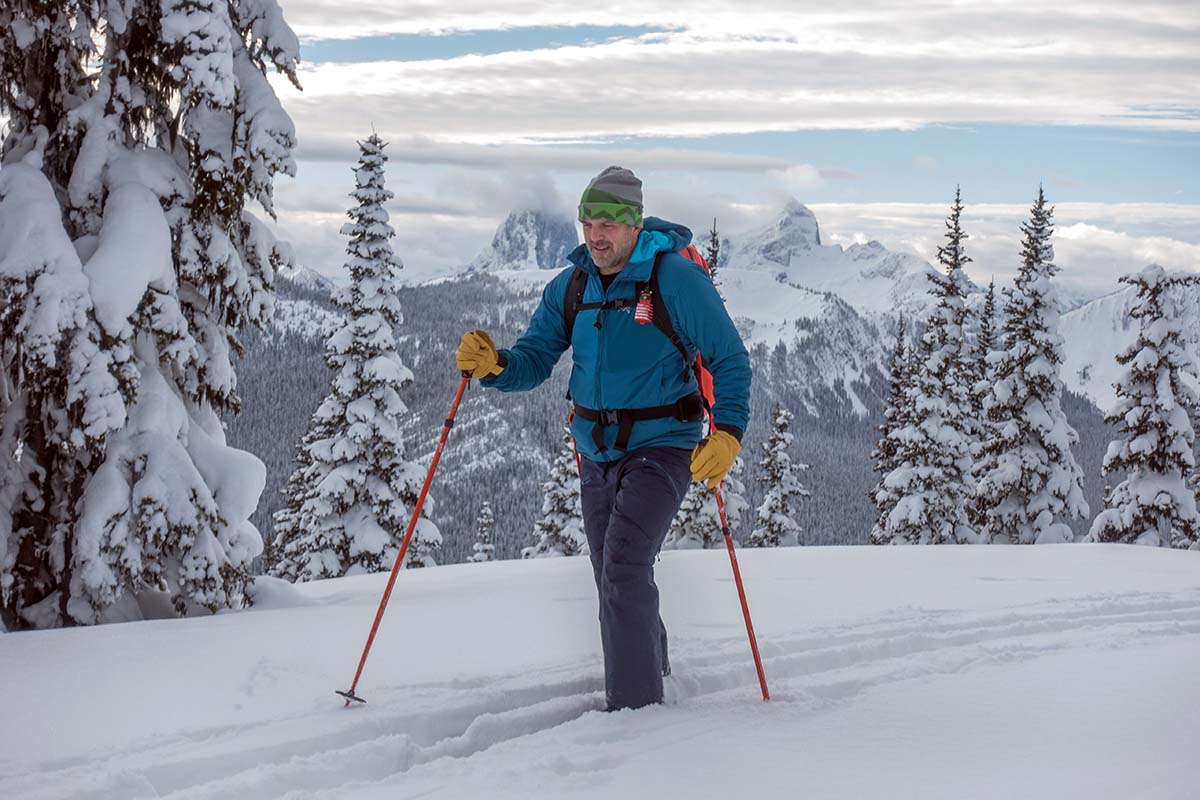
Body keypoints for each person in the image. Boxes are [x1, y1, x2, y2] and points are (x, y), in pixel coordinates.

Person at [456, 166, 751, 710]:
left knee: (622, 566)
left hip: (664, 444)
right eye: (588, 221)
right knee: (612, 573)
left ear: (635, 224)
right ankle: (652, 666)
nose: (596, 234)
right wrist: (495, 366)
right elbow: (535, 358)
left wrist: (728, 432)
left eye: (609, 223)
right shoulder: (571, 286)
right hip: (594, 453)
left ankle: (636, 711)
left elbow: (730, 358)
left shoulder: (674, 280)